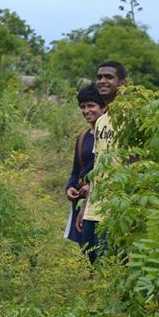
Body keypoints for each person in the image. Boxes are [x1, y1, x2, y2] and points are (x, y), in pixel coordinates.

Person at [75, 60, 128, 263]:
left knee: (113, 265)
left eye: (108, 77)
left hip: (117, 208)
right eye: (99, 77)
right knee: (91, 263)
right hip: (95, 208)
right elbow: (98, 165)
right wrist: (84, 207)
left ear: (122, 83)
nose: (102, 81)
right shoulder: (101, 121)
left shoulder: (130, 117)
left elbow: (136, 161)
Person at [64, 84, 106, 247]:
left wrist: (93, 187)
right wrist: (69, 188)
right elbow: (76, 171)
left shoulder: (110, 136)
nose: (86, 110)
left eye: (91, 105)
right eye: (83, 106)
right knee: (86, 253)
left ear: (103, 107)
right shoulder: (83, 137)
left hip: (100, 203)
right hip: (81, 202)